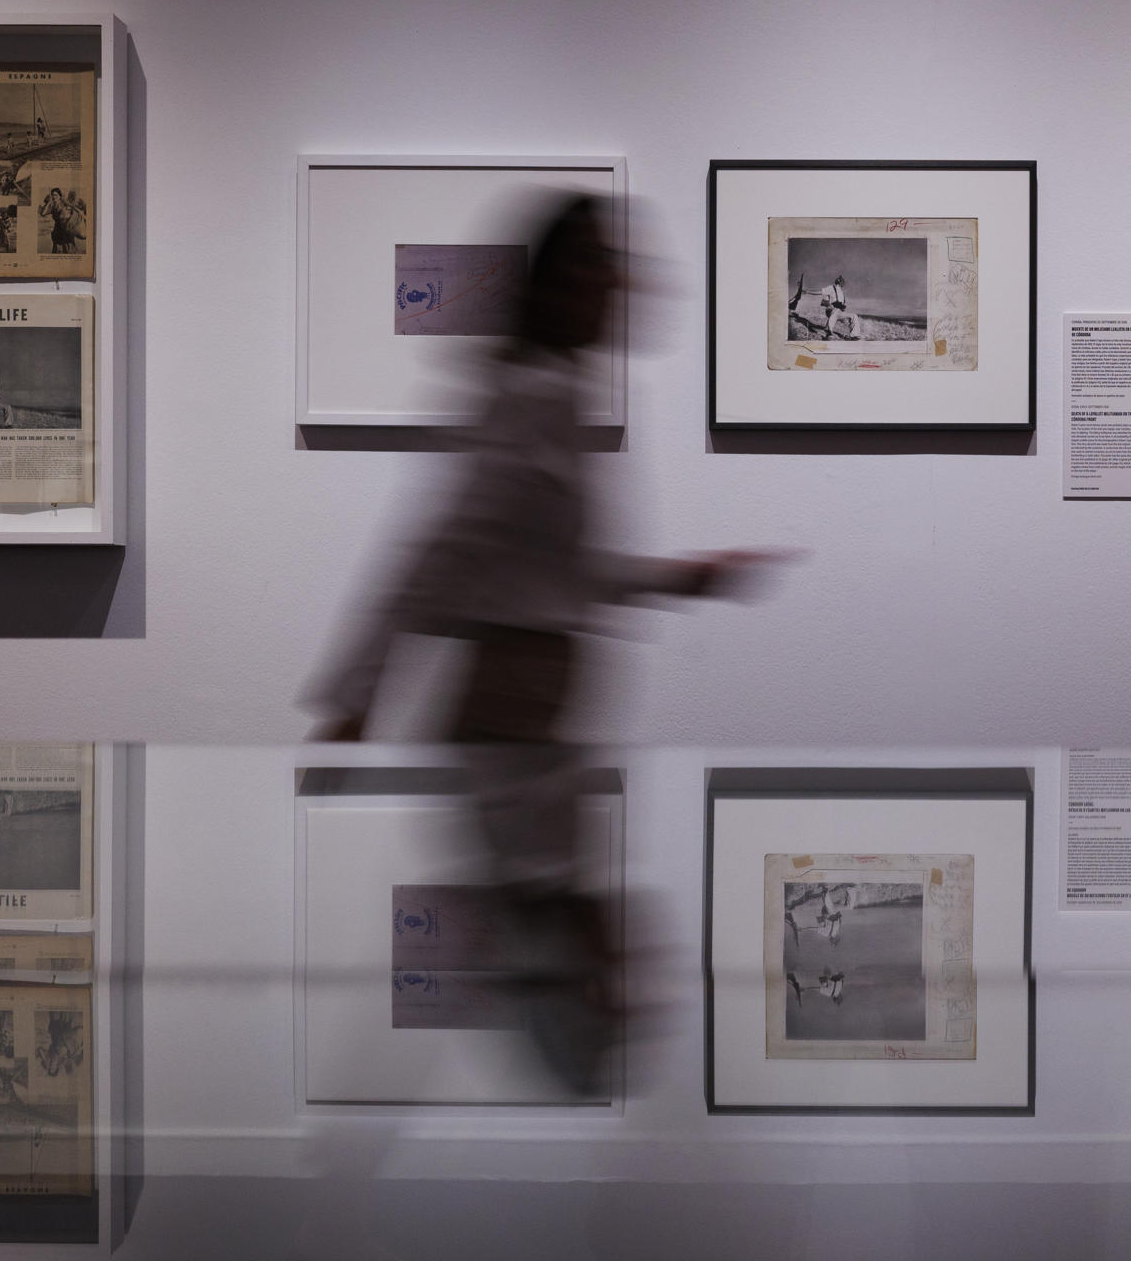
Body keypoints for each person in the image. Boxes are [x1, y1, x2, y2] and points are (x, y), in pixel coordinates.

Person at [307, 193, 787, 1092]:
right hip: (511, 717)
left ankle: (579, 1079)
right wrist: (355, 694)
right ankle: (577, 1084)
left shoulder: (550, 392)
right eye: (607, 267)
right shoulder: (529, 395)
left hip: (535, 713)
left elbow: (553, 570)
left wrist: (680, 578)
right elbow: (441, 550)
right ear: (565, 282)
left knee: (558, 935)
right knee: (555, 933)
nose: (625, 287)